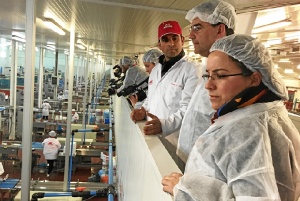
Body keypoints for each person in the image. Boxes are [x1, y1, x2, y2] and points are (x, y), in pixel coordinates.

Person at [162, 34, 300, 201]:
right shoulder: (268, 113)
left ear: (254, 78)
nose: (208, 85)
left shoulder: (244, 132)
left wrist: (188, 189)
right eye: (208, 75)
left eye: (220, 75)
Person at [177, 0, 236, 163]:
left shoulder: (234, 72)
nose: (190, 35)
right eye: (191, 28)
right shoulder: (206, 68)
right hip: (191, 164)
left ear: (220, 29)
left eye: (197, 27)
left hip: (207, 171)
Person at [130, 20, 199, 146]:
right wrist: (143, 110)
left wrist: (164, 125)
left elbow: (189, 110)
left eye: (175, 38)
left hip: (175, 140)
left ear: (182, 40)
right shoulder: (156, 70)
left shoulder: (192, 69)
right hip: (152, 134)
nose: (171, 43)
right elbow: (152, 98)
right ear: (159, 45)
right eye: (166, 40)